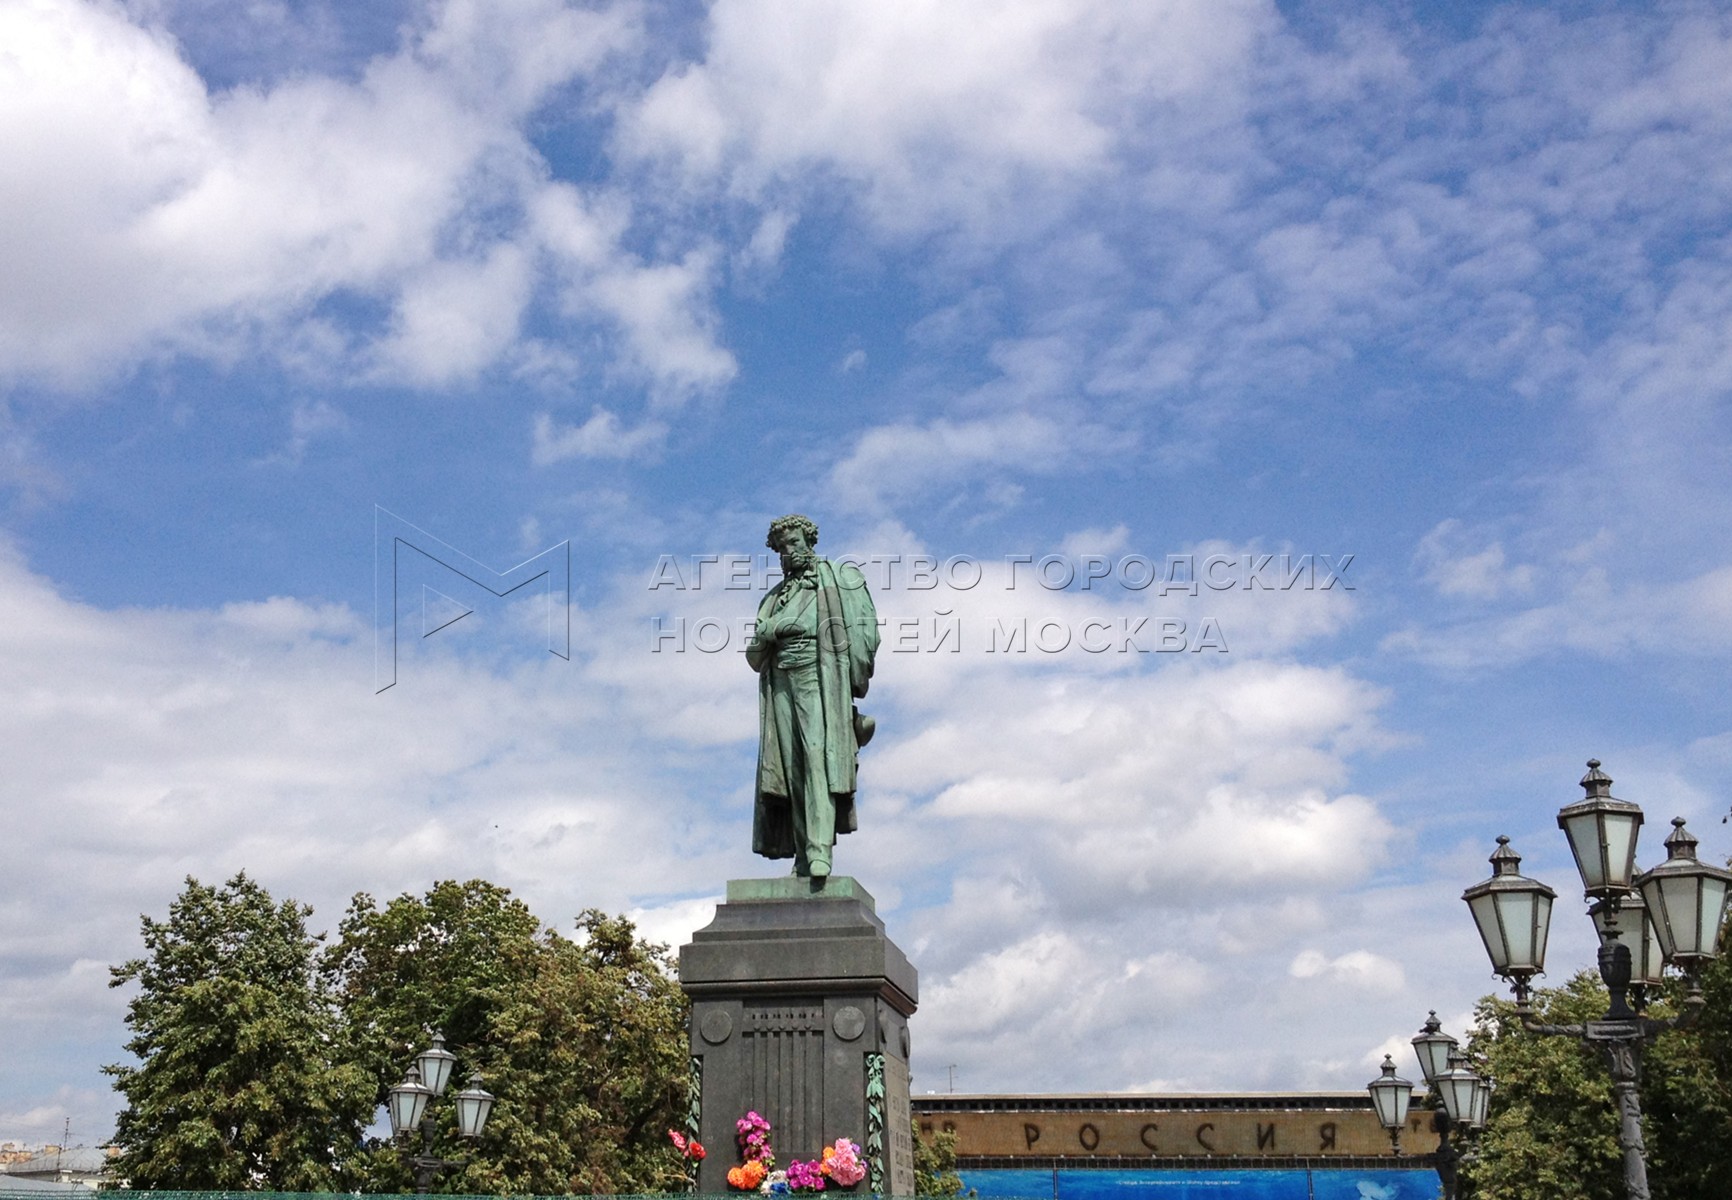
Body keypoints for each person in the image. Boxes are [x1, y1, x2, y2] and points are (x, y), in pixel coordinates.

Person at [746, 515, 879, 877]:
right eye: (781, 548)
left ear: (809, 540)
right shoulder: (773, 599)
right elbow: (754, 658)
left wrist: (852, 677)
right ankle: (804, 854)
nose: (788, 552)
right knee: (791, 768)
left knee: (817, 758)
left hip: (819, 677)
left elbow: (866, 628)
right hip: (781, 683)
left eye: (793, 543)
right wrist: (771, 631)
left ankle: (820, 849)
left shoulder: (838, 578)